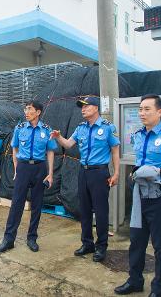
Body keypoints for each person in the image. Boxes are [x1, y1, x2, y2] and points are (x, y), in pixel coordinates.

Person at [114, 94, 161, 297]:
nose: (142, 113)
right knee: (136, 242)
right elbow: (139, 161)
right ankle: (135, 281)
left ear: (159, 112)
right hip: (140, 196)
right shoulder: (138, 134)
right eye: (140, 109)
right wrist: (135, 172)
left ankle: (159, 289)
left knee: (160, 246)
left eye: (147, 109)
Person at [50, 95, 120, 262]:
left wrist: (116, 173)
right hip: (83, 172)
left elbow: (115, 150)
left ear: (96, 108)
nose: (83, 109)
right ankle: (87, 243)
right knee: (85, 210)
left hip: (100, 173)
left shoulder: (108, 127)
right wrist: (59, 136)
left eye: (86, 106)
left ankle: (101, 246)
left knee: (101, 211)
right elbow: (68, 144)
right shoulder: (81, 128)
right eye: (82, 106)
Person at [0, 100, 57, 253]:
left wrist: (50, 173)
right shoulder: (20, 128)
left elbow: (50, 151)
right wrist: (17, 169)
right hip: (23, 167)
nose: (26, 112)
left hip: (40, 168)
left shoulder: (46, 129)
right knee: (17, 203)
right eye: (25, 109)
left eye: (29, 109)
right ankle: (9, 239)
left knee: (37, 204)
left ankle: (32, 238)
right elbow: (15, 149)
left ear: (38, 112)